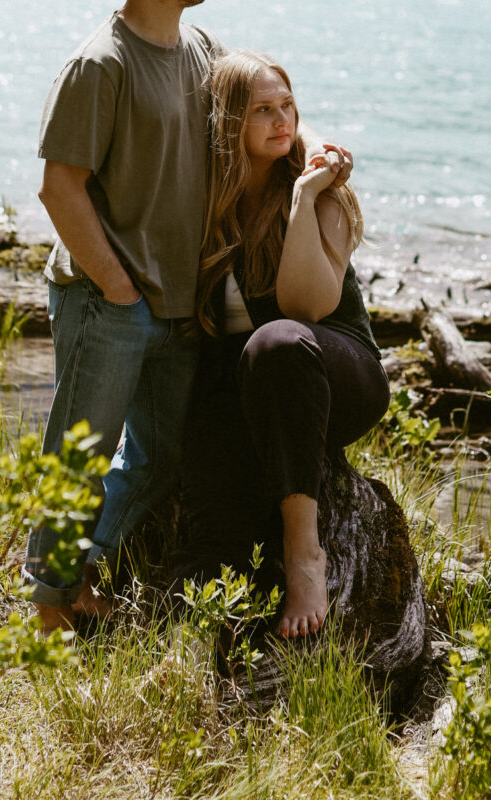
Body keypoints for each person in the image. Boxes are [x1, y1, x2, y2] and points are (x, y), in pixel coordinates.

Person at [22, 0, 233, 630]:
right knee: (78, 460)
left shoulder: (202, 50)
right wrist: (117, 289)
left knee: (158, 459)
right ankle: (48, 614)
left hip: (179, 306)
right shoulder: (99, 64)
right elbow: (59, 187)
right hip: (107, 300)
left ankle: (79, 574)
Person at [175, 50, 390, 638]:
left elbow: (307, 308)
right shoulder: (205, 198)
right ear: (227, 124)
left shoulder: (325, 191)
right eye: (262, 111)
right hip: (253, 384)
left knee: (277, 344)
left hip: (337, 371)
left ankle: (306, 555)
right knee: (212, 526)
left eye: (287, 106)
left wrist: (300, 198)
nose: (282, 121)